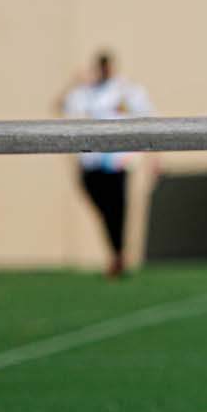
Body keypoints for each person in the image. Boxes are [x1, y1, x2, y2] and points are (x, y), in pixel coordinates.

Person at [55, 51, 154, 279]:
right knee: (104, 208)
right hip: (92, 161)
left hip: (117, 161)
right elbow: (61, 105)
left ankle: (118, 256)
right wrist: (73, 82)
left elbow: (147, 114)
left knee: (118, 210)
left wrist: (152, 156)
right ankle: (117, 253)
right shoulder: (85, 92)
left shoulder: (125, 89)